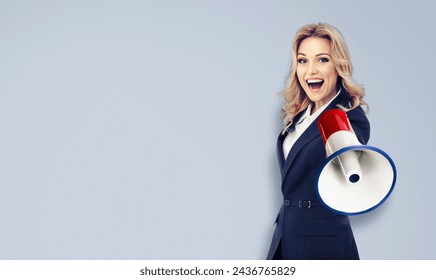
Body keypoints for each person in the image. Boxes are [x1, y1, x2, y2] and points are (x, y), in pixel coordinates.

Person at [266, 23, 370, 260]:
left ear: (338, 66)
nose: (310, 70)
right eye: (303, 61)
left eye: (322, 60)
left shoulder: (349, 116)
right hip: (286, 234)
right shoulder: (300, 115)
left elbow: (348, 158)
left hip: (322, 244)